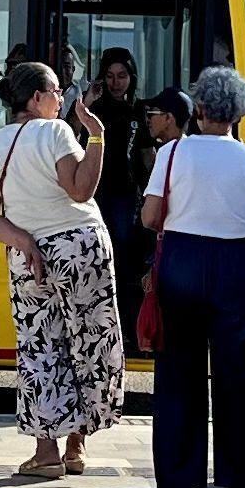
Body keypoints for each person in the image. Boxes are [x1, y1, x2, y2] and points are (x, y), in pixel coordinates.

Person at [0, 61, 125, 478]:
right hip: (79, 247)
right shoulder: (57, 131)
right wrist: (96, 136)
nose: (62, 99)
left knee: (39, 348)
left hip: (28, 256)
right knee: (89, 344)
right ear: (36, 98)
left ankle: (46, 453)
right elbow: (80, 189)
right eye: (57, 91)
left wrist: (23, 241)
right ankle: (77, 446)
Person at [143, 66, 245, 488]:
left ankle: (179, 481)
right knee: (238, 373)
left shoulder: (172, 154)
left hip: (182, 262)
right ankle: (239, 481)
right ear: (239, 113)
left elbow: (150, 217)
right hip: (236, 264)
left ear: (199, 108)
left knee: (178, 372)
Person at [90, 47, 147, 338]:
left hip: (127, 194)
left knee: (123, 252)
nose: (116, 82)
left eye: (122, 76)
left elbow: (147, 154)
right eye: (110, 76)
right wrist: (87, 102)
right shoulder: (95, 109)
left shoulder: (140, 109)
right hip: (96, 192)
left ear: (131, 77)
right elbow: (74, 132)